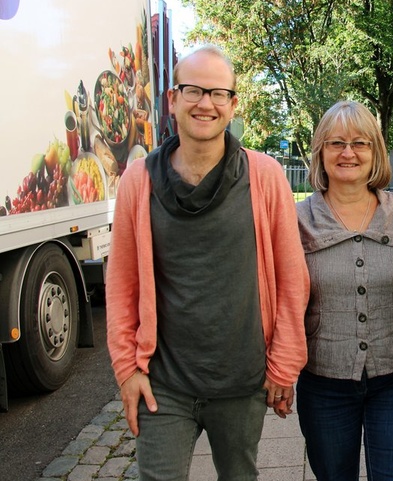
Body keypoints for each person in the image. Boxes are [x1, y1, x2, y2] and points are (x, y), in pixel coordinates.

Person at [105, 45, 309, 481]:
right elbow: (121, 284)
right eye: (194, 90)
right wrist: (127, 370)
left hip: (242, 381)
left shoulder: (264, 175)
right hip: (163, 384)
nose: (206, 103)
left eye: (218, 93)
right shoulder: (138, 181)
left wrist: (283, 364)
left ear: (232, 105)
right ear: (173, 99)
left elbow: (293, 278)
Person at [295, 100, 393, 481]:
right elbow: (283, 302)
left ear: (375, 152)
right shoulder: (298, 220)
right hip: (323, 381)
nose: (348, 153)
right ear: (320, 152)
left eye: (360, 143)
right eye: (336, 143)